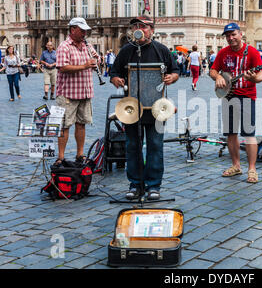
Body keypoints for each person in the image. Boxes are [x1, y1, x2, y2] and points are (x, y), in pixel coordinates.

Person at [110, 15, 179, 201]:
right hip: (132, 107)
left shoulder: (161, 50)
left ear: (152, 30)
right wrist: (116, 79)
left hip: (156, 107)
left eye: (144, 26)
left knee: (155, 145)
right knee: (133, 145)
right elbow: (114, 72)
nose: (139, 29)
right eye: (136, 27)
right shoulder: (126, 51)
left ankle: (153, 185)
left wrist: (172, 77)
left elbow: (176, 71)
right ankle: (135, 184)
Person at [210, 22, 262, 184]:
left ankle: (252, 169)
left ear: (241, 34)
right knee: (231, 133)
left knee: (249, 134)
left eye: (233, 34)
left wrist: (253, 77)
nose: (230, 38)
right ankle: (236, 165)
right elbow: (213, 70)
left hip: (247, 96)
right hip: (228, 97)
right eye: (227, 36)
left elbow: (261, 74)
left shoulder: (252, 52)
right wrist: (218, 77)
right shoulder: (223, 53)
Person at [55, 17, 99, 165]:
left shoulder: (87, 45)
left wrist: (97, 61)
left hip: (85, 91)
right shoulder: (64, 46)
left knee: (81, 124)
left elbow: (96, 59)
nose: (84, 33)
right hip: (68, 93)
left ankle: (80, 154)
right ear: (73, 29)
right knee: (64, 125)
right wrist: (85, 66)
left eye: (85, 31)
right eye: (82, 30)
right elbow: (62, 67)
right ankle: (60, 157)